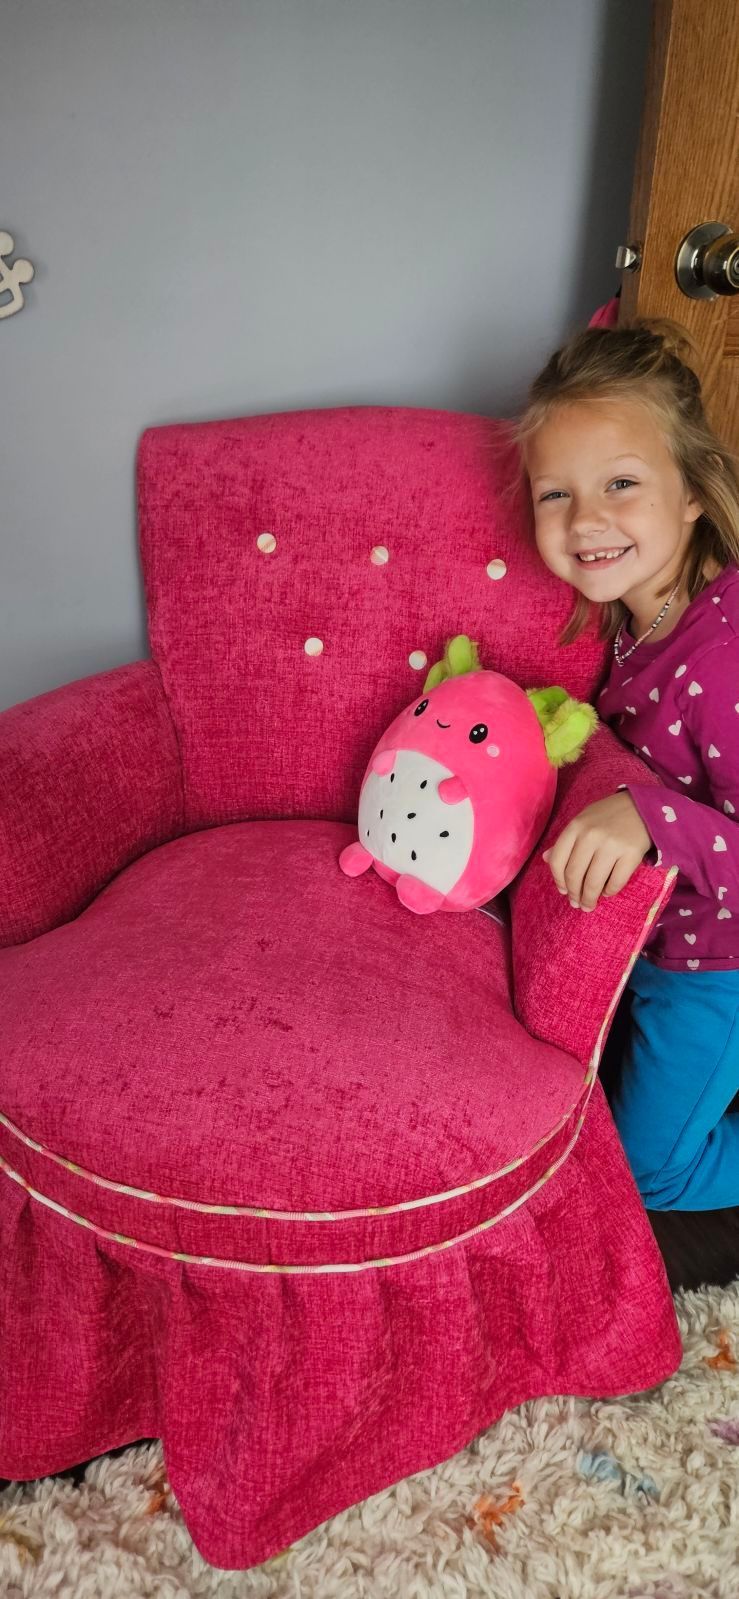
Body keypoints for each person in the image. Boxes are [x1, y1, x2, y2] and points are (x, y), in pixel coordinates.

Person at [517, 318, 739, 1211]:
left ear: (691, 491)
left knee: (649, 1174)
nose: (585, 519)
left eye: (620, 483)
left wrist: (651, 817)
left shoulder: (721, 656)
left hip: (717, 960)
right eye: (555, 493)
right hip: (656, 939)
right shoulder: (633, 613)